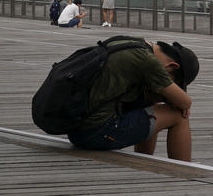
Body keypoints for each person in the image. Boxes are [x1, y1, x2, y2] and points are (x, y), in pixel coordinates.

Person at [68, 38, 199, 161]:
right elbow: (186, 102)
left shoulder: (132, 44)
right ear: (172, 66)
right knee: (178, 116)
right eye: (174, 82)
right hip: (96, 134)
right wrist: (174, 100)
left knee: (149, 102)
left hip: (76, 130)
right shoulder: (149, 62)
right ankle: (183, 171)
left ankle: (144, 160)